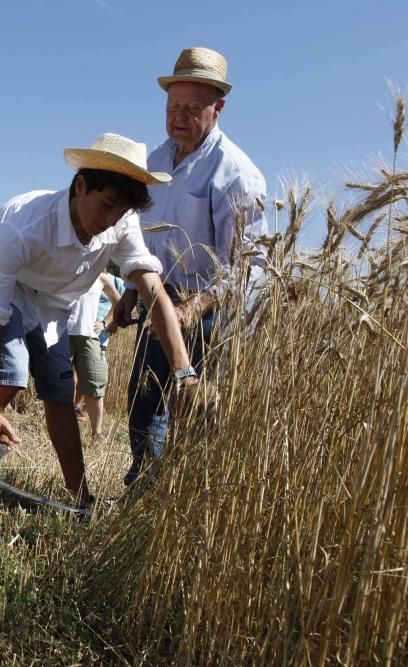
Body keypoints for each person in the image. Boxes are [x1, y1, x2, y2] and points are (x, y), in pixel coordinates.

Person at [0, 133, 200, 529]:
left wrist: (184, 373)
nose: (109, 220)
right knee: (11, 373)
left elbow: (153, 290)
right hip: (1, 276)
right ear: (81, 185)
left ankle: (80, 500)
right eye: (106, 205)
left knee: (59, 392)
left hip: (55, 299)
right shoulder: (25, 228)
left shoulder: (121, 222)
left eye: (120, 211)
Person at [112, 47, 268, 485]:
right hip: (159, 300)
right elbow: (141, 239)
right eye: (172, 106)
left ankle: (174, 495)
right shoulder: (155, 162)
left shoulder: (236, 174)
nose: (178, 117)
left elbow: (248, 264)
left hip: (211, 314)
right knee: (143, 400)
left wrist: (195, 306)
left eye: (192, 108)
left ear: (218, 109)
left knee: (190, 408)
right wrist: (130, 292)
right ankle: (145, 485)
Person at [68, 274, 124, 437]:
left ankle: (96, 433)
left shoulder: (100, 277)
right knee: (61, 382)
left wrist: (106, 323)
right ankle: (63, 427)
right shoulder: (63, 266)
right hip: (61, 335)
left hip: (90, 336)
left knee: (95, 384)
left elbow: (118, 302)